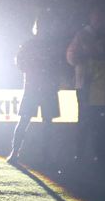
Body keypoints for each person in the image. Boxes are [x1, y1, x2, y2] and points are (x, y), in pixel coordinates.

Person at [66, 8, 105, 166]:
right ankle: (82, 154)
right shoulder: (82, 36)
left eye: (102, 19)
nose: (100, 22)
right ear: (92, 19)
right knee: (86, 121)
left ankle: (99, 154)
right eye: (97, 19)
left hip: (102, 86)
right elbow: (71, 56)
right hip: (87, 85)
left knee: (101, 123)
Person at [8, 15, 64, 164]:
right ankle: (22, 153)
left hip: (39, 87)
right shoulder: (38, 46)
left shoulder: (36, 45)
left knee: (35, 121)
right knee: (40, 122)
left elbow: (20, 63)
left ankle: (21, 153)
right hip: (39, 87)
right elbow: (21, 63)